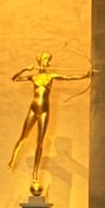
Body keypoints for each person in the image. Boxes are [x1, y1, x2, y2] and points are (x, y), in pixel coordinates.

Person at [9, 52, 94, 197]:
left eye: (48, 60)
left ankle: (35, 173)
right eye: (45, 60)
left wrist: (85, 76)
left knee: (39, 142)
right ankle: (13, 159)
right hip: (33, 108)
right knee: (23, 137)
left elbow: (68, 77)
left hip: (44, 110)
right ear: (40, 61)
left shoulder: (50, 76)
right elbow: (15, 78)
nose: (47, 63)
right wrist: (26, 69)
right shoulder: (34, 77)